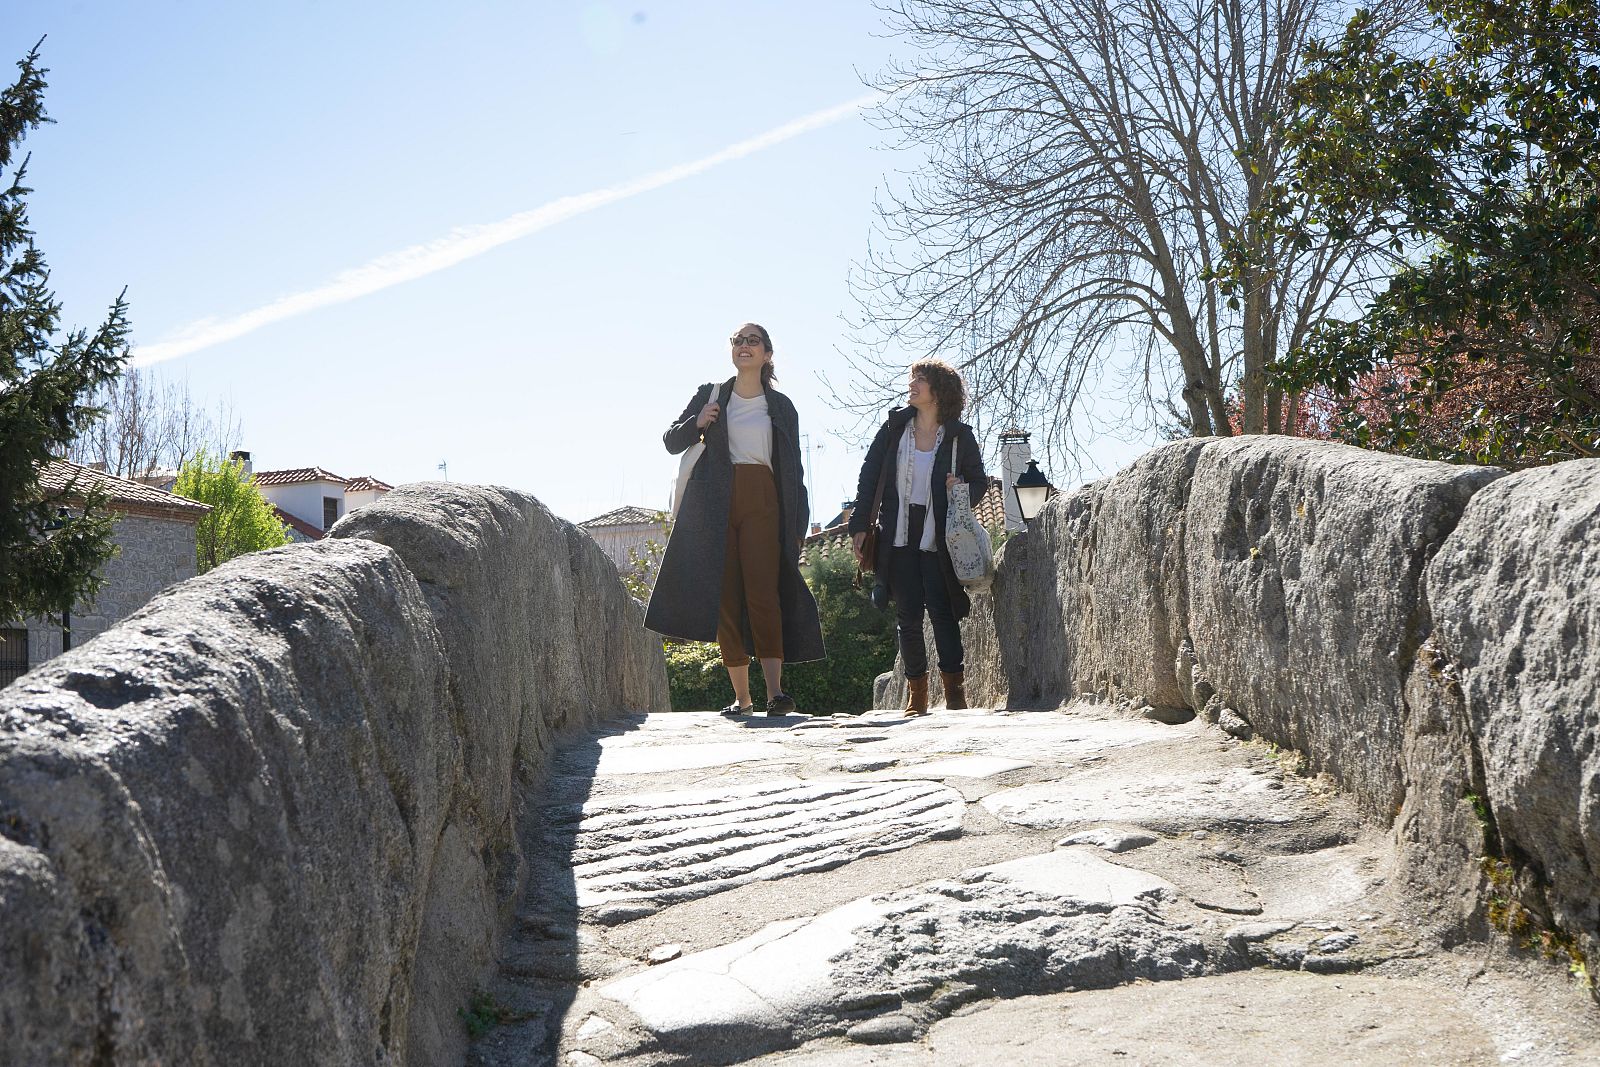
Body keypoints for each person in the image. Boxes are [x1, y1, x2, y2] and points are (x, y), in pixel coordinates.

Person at [645, 323, 825, 716]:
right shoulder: (710, 395)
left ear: (767, 354)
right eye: (738, 340)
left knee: (764, 592)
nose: (744, 346)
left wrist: (797, 526)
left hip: (764, 498)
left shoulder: (781, 406)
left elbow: (794, 471)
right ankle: (742, 700)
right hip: (714, 502)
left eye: (752, 341)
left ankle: (776, 693)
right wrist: (698, 423)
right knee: (726, 596)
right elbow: (671, 441)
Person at [849, 359, 988, 716]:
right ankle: (917, 696)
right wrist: (860, 526)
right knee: (907, 616)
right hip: (898, 532)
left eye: (919, 380)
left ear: (938, 390)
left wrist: (961, 490)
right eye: (911, 378)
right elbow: (869, 477)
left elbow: (980, 481)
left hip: (938, 534)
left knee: (943, 613)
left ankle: (955, 693)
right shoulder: (894, 428)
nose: (911, 385)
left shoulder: (959, 436)